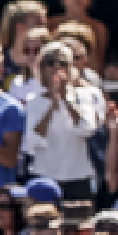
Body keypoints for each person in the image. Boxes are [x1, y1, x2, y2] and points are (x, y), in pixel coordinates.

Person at [23, 42, 103, 203]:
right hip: (46, 176)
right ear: (42, 68)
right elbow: (33, 141)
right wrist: (51, 106)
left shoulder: (84, 96)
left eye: (63, 63)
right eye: (50, 62)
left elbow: (87, 129)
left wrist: (66, 100)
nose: (56, 67)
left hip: (78, 176)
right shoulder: (33, 101)